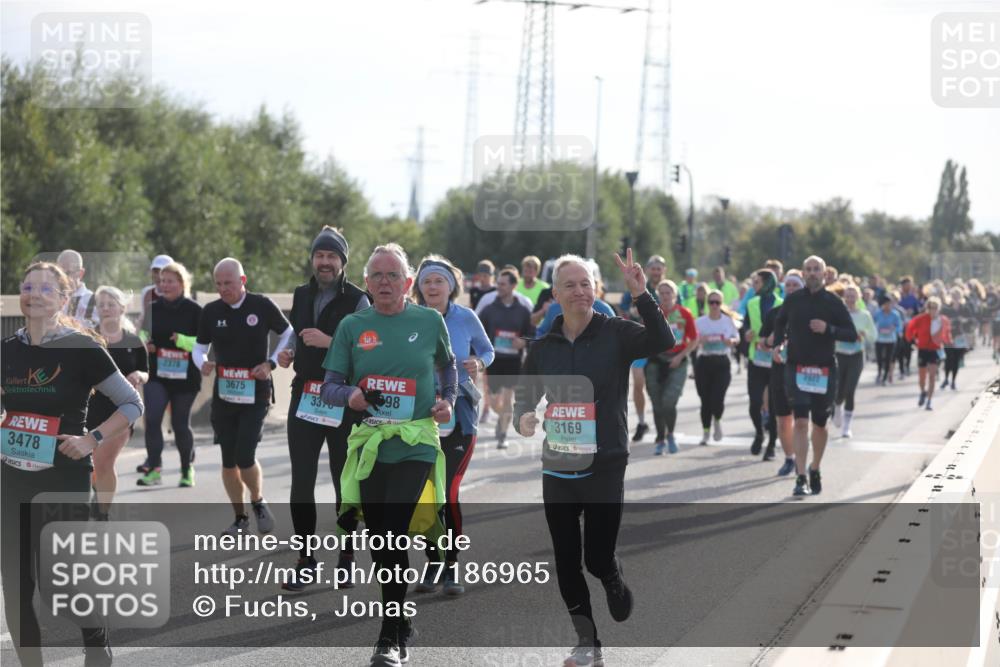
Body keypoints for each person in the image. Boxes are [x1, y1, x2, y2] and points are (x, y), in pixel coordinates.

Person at [513, 250, 673, 667]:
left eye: (586, 283)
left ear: (596, 289)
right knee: (566, 559)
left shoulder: (615, 333)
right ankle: (588, 643)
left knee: (596, 556)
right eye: (570, 284)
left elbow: (662, 341)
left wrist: (642, 293)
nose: (580, 290)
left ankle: (612, 576)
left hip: (605, 461)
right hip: (559, 463)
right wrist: (524, 420)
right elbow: (525, 399)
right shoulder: (544, 345)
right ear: (555, 294)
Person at [320, 243, 457, 667]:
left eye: (393, 275)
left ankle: (388, 638)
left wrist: (448, 398)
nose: (384, 282)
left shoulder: (430, 320)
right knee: (380, 541)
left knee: (396, 528)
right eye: (377, 276)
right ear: (366, 282)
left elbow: (448, 367)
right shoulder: (352, 326)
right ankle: (399, 622)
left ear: (408, 282)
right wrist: (352, 395)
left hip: (416, 441)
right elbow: (329, 385)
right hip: (371, 442)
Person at [2, 261, 144, 666]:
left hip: (63, 478)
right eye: (28, 286)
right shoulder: (6, 350)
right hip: (11, 478)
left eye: (47, 289)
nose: (34, 294)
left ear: (65, 299)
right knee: (15, 586)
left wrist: (90, 440)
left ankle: (97, 645)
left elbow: (131, 403)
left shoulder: (82, 349)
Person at [277, 227, 370, 593]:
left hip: (343, 398)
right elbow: (295, 336)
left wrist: (331, 342)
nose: (325, 262)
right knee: (301, 480)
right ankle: (305, 560)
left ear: (343, 262)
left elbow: (367, 351)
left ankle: (345, 558)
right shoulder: (302, 294)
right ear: (313, 259)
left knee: (342, 481)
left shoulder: (358, 300)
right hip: (306, 394)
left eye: (332, 256)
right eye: (320, 256)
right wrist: (289, 353)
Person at [411, 255, 494, 596]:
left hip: (461, 418)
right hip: (421, 417)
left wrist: (477, 362)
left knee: (449, 492)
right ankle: (433, 562)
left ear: (451, 287)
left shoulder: (466, 318)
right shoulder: (410, 318)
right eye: (427, 281)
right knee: (427, 495)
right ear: (419, 287)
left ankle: (451, 568)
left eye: (439, 281)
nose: (432, 287)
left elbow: (487, 352)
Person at [194, 258, 293, 535]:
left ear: (243, 281)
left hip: (256, 393)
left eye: (229, 283)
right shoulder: (212, 311)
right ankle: (240, 518)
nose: (224, 289)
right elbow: (199, 347)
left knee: (244, 454)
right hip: (225, 394)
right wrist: (201, 362)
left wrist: (271, 363)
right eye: (219, 284)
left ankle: (258, 502)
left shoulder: (261, 305)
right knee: (228, 459)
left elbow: (288, 333)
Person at [773, 256, 857, 497]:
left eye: (816, 269)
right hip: (797, 368)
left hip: (824, 370)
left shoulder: (833, 302)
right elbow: (780, 323)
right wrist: (778, 345)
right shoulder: (793, 300)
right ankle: (800, 476)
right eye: (808, 270)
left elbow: (851, 334)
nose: (812, 273)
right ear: (802, 273)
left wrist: (828, 329)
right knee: (800, 421)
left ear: (824, 273)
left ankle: (815, 467)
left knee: (820, 424)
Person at [138, 261, 202, 487]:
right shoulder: (154, 308)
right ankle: (154, 468)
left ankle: (187, 469)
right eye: (162, 281)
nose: (164, 285)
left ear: (182, 284)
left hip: (186, 376)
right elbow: (143, 331)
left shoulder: (194, 310)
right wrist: (145, 341)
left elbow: (204, 344)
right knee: (153, 419)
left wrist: (182, 341)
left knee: (179, 424)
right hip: (157, 373)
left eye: (169, 281)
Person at [89, 286, 148, 519]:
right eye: (101, 304)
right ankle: (97, 494)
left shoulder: (133, 340)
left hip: (122, 411)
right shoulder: (87, 337)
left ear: (122, 308)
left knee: (104, 462)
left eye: (110, 304)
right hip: (90, 409)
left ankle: (102, 512)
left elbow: (145, 370)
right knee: (93, 464)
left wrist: (139, 376)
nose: (105, 309)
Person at [478, 267, 534, 449]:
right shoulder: (489, 309)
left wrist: (524, 343)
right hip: (494, 361)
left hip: (513, 361)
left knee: (508, 399)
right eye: (498, 284)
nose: (498, 287)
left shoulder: (523, 310)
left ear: (513, 286)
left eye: (502, 284)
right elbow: (478, 334)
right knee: (494, 402)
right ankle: (501, 418)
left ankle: (502, 434)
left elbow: (531, 334)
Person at [760, 270, 805, 474]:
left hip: (803, 371)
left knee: (801, 420)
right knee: (783, 419)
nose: (792, 289)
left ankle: (801, 459)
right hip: (779, 371)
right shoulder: (775, 312)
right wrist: (769, 341)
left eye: (796, 285)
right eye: (789, 285)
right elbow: (761, 343)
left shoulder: (810, 311)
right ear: (783, 288)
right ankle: (789, 458)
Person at [618, 255, 667, 442]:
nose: (656, 271)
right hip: (640, 340)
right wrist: (629, 313)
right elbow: (622, 310)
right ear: (647, 270)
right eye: (653, 268)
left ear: (664, 270)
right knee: (638, 382)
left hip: (663, 343)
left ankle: (663, 426)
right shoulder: (635, 286)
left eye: (659, 268)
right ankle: (641, 422)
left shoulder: (668, 289)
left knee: (659, 389)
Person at [646, 280, 697, 455]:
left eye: (669, 293)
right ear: (658, 295)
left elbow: (694, 338)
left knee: (669, 402)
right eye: (662, 293)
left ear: (675, 295)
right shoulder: (653, 313)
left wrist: (680, 356)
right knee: (657, 403)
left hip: (678, 361)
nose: (666, 296)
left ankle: (671, 435)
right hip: (655, 361)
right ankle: (660, 438)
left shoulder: (684, 313)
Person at [741, 269, 782, 456]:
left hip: (775, 360)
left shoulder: (782, 304)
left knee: (773, 405)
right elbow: (746, 325)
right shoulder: (751, 303)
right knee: (755, 402)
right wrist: (747, 332)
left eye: (757, 282)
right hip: (756, 359)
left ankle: (772, 443)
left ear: (767, 283)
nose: (754, 285)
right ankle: (759, 433)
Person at [693, 289, 739, 445]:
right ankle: (706, 431)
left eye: (717, 302)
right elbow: (692, 341)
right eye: (711, 302)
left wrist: (730, 342)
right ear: (707, 303)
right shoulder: (700, 322)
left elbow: (736, 338)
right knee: (705, 400)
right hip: (704, 362)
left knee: (717, 398)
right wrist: (700, 340)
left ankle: (717, 420)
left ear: (721, 304)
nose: (714, 305)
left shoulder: (727, 321)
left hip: (722, 361)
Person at [831, 285, 876, 439]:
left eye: (853, 296)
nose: (850, 299)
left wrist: (864, 334)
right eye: (847, 296)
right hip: (840, 354)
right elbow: (832, 332)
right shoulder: (838, 313)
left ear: (858, 297)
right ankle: (837, 406)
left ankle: (847, 426)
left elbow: (873, 336)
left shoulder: (865, 315)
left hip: (856, 354)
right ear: (844, 297)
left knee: (851, 389)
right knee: (839, 388)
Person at [905, 296, 951, 410]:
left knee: (932, 376)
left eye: (935, 308)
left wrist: (948, 342)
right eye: (931, 307)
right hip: (923, 349)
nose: (933, 310)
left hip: (935, 350)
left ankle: (929, 401)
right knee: (922, 377)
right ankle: (923, 392)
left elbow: (947, 333)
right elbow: (910, 328)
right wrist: (911, 339)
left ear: (938, 308)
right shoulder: (921, 319)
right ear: (928, 308)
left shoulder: (943, 320)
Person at [940, 288, 974, 391]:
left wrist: (964, 320)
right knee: (948, 359)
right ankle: (946, 378)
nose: (956, 298)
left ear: (961, 296)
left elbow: (972, 320)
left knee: (956, 360)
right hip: (948, 337)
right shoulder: (946, 309)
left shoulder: (965, 308)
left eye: (957, 295)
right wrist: (949, 321)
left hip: (960, 337)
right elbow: (941, 320)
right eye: (954, 296)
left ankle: (953, 381)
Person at [57, 249, 97, 326]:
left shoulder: (93, 301)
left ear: (80, 273)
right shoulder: (52, 298)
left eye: (67, 273)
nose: (63, 278)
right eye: (59, 273)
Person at [873, 295, 904, 386]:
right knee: (879, 358)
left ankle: (885, 377)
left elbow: (899, 326)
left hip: (891, 339)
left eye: (889, 304)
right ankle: (879, 372)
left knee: (888, 358)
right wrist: (877, 328)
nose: (887, 306)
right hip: (879, 338)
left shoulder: (895, 314)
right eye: (885, 304)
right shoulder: (878, 313)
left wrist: (894, 328)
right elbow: (873, 323)